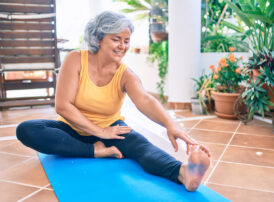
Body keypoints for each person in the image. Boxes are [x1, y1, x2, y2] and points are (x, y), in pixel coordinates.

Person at [16, 11, 211, 192]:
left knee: (140, 145)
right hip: (72, 129)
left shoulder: (125, 74)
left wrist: (171, 124)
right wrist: (99, 133)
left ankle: (184, 173)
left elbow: (144, 99)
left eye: (126, 41)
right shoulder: (75, 59)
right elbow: (63, 106)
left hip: (111, 129)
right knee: (27, 129)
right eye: (116, 39)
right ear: (99, 38)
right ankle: (95, 151)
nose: (123, 46)